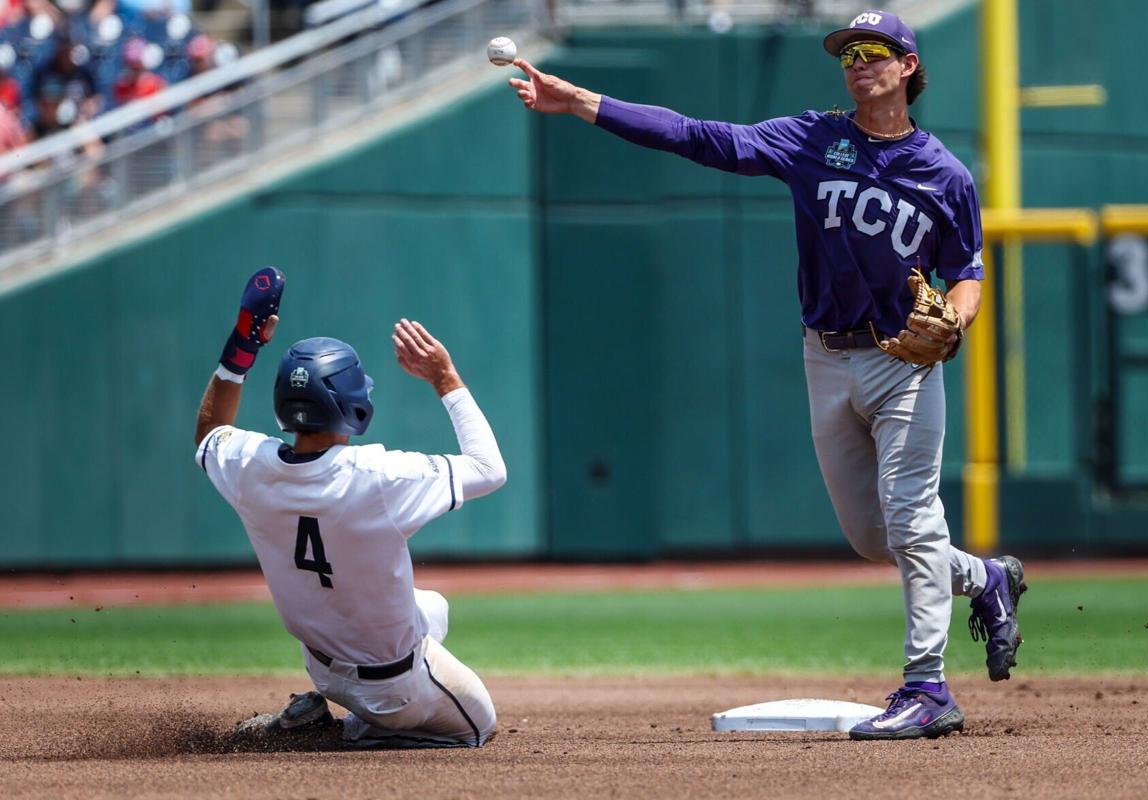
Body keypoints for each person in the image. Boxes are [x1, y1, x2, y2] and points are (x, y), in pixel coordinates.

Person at [507, 9, 1026, 740]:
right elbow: (700, 137)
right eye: (848, 53)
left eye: (874, 51)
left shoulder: (943, 173)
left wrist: (960, 318)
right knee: (874, 540)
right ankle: (986, 578)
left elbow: (965, 269)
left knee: (912, 521)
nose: (857, 63)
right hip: (826, 354)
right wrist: (585, 103)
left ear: (908, 66)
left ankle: (928, 688)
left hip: (904, 362)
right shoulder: (816, 139)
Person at [194, 267, 505, 748]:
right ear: (350, 403)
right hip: (392, 688)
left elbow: (209, 433)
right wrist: (445, 378)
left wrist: (242, 346)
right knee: (478, 729)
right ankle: (353, 733)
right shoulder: (377, 475)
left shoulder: (250, 466)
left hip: (321, 665)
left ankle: (317, 710)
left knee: (434, 607)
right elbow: (490, 469)